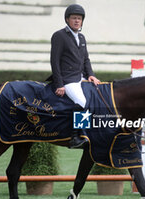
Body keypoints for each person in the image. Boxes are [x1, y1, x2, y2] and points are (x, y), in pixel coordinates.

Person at [50, 4, 100, 149]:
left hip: (81, 78)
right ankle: (75, 137)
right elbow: (55, 62)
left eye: (79, 18)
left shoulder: (82, 37)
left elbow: (86, 60)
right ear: (67, 19)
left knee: (96, 97)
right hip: (68, 80)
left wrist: (91, 75)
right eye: (74, 18)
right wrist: (59, 84)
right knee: (82, 101)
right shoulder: (59, 35)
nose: (77, 21)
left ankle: (91, 132)